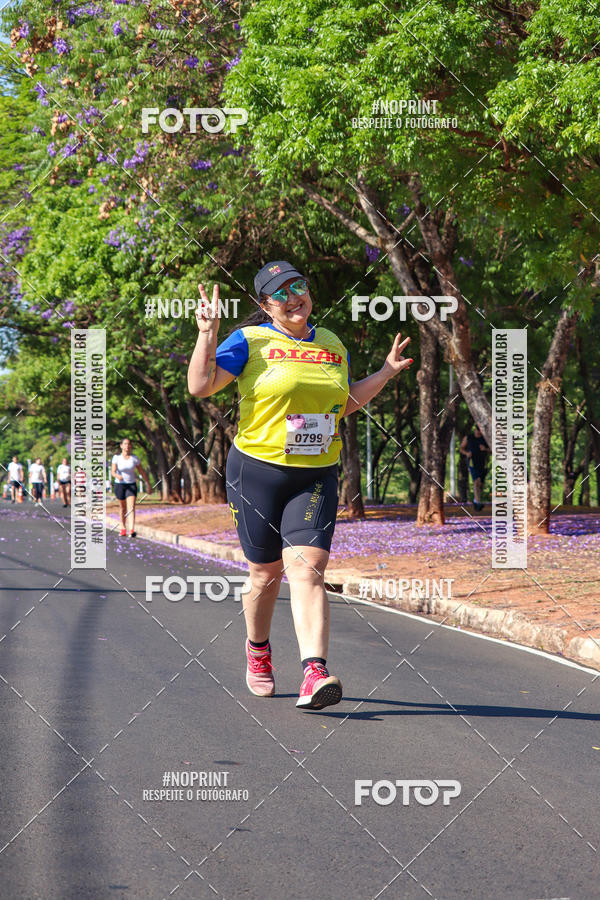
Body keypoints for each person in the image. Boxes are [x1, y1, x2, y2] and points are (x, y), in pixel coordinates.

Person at [188, 260, 414, 711]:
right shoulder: (250, 341)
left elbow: (344, 403)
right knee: (264, 575)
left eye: (300, 287)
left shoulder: (331, 343)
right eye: (281, 293)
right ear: (265, 304)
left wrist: (386, 372)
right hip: (257, 472)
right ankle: (258, 649)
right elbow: (200, 386)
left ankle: (314, 671)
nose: (294, 297)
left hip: (315, 475)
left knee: (308, 571)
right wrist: (208, 333)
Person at [110, 438, 150, 537]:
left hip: (131, 484)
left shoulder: (134, 458)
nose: (127, 446)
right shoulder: (116, 458)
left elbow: (141, 471)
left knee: (131, 507)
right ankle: (123, 528)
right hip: (120, 484)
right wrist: (117, 476)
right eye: (125, 444)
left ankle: (132, 529)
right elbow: (113, 472)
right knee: (123, 507)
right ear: (121, 446)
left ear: (130, 446)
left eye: (128, 444)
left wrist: (147, 483)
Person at [460, 425, 491, 511]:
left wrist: (486, 449)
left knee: (480, 484)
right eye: (478, 430)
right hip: (472, 462)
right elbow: (461, 448)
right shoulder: (468, 437)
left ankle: (475, 499)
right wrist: (466, 453)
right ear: (475, 429)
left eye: (480, 430)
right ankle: (478, 503)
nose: (479, 432)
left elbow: (492, 450)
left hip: (483, 463)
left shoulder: (485, 438)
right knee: (476, 481)